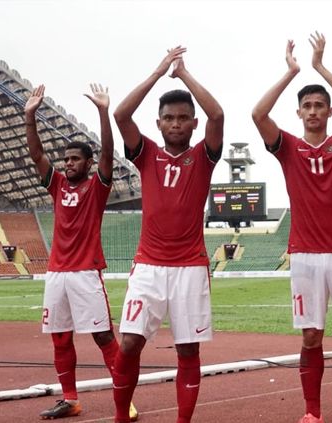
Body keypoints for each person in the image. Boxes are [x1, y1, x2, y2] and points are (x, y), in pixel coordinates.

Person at [252, 34, 332, 423]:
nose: (313, 111)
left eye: (319, 105)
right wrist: (290, 72)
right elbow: (258, 115)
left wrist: (320, 66)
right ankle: (312, 413)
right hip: (305, 257)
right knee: (311, 337)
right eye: (307, 106)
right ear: (299, 113)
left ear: (329, 112)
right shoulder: (288, 147)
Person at [111, 46, 224, 423]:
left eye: (183, 118)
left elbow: (218, 113)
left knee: (188, 350)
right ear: (158, 124)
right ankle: (120, 417)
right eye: (168, 118)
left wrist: (185, 74)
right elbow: (120, 114)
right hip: (148, 266)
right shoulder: (145, 155)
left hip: (190, 267)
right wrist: (159, 71)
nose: (175, 123)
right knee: (128, 343)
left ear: (193, 124)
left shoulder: (203, 158)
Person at [25, 84, 137, 421]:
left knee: (103, 336)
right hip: (57, 272)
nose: (68, 164)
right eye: (66, 160)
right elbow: (36, 155)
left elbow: (108, 154)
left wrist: (104, 111)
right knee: (60, 338)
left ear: (88, 163)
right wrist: (29, 116)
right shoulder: (57, 184)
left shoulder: (97, 186)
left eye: (75, 159)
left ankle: (124, 398)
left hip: (86, 272)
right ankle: (70, 400)